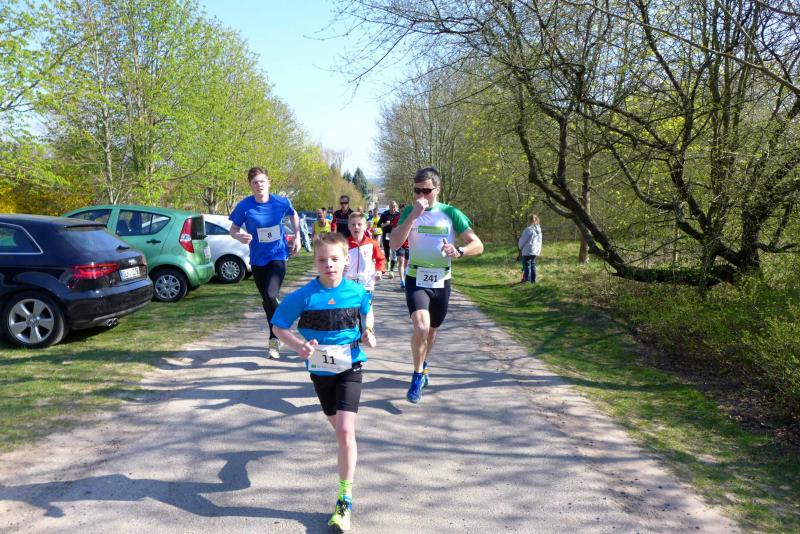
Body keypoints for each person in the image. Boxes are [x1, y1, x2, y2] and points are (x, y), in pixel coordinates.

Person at [271, 232, 376, 533]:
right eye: (322, 260)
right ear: (315, 263)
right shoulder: (305, 296)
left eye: (334, 259)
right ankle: (348, 447)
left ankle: (345, 498)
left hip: (351, 366)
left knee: (344, 430)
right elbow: (278, 326)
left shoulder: (356, 291)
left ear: (345, 261)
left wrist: (368, 331)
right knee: (339, 428)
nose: (329, 264)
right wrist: (299, 346)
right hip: (321, 372)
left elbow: (367, 313)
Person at [390, 167, 483, 404]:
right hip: (416, 277)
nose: (421, 195)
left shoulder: (451, 213)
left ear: (438, 189)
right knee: (421, 328)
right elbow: (395, 244)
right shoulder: (410, 211)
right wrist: (413, 217)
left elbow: (477, 244)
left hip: (441, 280)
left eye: (427, 191)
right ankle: (417, 375)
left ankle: (423, 365)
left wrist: (459, 250)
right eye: (417, 190)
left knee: (432, 331)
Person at [229, 166, 300, 359]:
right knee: (268, 302)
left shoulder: (281, 202)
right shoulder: (245, 206)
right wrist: (239, 236)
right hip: (258, 260)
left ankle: (277, 335)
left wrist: (298, 236)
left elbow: (293, 214)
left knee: (270, 294)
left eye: (262, 181)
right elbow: (233, 229)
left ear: (268, 182)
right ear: (250, 186)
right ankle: (275, 338)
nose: (259, 185)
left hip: (278, 255)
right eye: (255, 183)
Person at [344, 211, 386, 296]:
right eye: (353, 224)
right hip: (348, 284)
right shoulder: (343, 244)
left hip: (366, 284)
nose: (356, 227)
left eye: (359, 224)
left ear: (365, 226)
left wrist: (379, 271)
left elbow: (380, 259)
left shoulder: (372, 243)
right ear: (349, 226)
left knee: (365, 305)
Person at [518, 213, 542, 283]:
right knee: (533, 265)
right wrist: (538, 251)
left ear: (529, 220)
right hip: (534, 251)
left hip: (527, 250)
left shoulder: (528, 230)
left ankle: (526, 280)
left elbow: (523, 240)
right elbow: (539, 241)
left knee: (526, 266)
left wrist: (520, 246)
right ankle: (533, 280)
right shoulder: (539, 231)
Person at [377, 201, 399, 277]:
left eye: (394, 207)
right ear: (389, 207)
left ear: (396, 207)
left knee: (394, 252)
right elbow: (378, 224)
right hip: (387, 234)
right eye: (391, 207)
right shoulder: (385, 214)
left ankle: (391, 270)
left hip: (395, 235)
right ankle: (388, 261)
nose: (393, 208)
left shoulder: (398, 214)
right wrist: (385, 224)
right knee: (387, 251)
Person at [391, 209, 410, 289]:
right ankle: (402, 280)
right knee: (401, 261)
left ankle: (405, 275)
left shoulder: (411, 218)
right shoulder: (397, 218)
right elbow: (393, 230)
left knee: (406, 263)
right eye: (401, 211)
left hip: (409, 243)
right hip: (399, 243)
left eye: (404, 211)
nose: (403, 213)